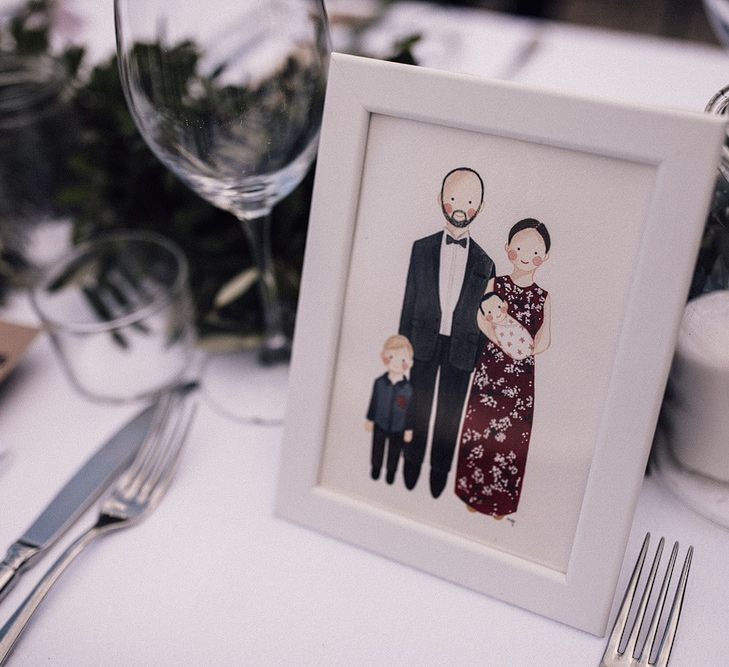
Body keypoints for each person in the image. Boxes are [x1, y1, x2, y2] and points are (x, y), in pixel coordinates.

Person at [399, 167, 495, 497]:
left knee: (450, 413)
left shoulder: (486, 263)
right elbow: (409, 299)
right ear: (440, 200)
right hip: (422, 340)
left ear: (480, 207)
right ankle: (410, 463)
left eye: (469, 201)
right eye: (454, 198)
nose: (459, 207)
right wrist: (402, 345)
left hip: (462, 348)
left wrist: (480, 356)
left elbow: (487, 315)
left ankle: (439, 471)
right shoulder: (421, 249)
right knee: (418, 402)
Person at [455, 218, 552, 517]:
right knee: (481, 427)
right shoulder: (496, 285)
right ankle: (472, 494)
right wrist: (498, 339)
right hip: (491, 370)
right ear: (508, 248)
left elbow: (545, 338)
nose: (525, 255)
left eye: (534, 250)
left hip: (521, 378)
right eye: (519, 247)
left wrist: (524, 349)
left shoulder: (543, 297)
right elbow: (481, 317)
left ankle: (501, 504)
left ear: (545, 257)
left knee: (512, 437)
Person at [365, 335, 414, 484]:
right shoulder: (379, 383)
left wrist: (408, 429)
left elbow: (411, 412)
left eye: (403, 359)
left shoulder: (408, 390)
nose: (397, 363)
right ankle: (376, 467)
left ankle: (391, 472)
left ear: (409, 363)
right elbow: (374, 402)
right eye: (392, 357)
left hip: (398, 428)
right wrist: (370, 418)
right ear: (384, 357)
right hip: (380, 423)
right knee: (377, 448)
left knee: (394, 452)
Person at [478, 292, 534, 361]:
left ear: (505, 304)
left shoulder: (513, 319)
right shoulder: (495, 330)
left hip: (528, 346)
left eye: (499, 307)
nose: (496, 313)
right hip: (513, 353)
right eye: (489, 312)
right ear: (485, 317)